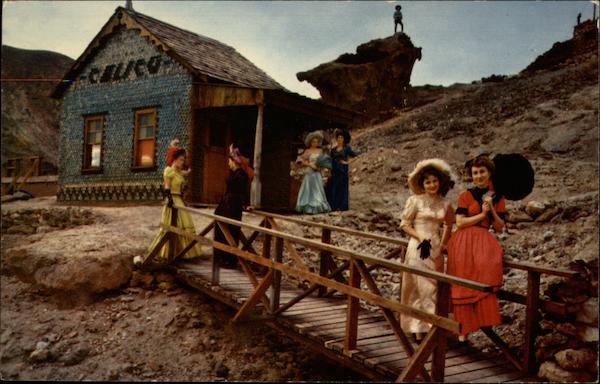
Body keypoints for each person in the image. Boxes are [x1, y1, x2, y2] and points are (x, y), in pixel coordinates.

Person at [447, 155, 506, 342]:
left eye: (482, 172)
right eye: (475, 173)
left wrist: (492, 211)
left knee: (484, 279)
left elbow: (499, 227)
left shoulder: (498, 197)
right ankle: (462, 333)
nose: (478, 176)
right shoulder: (465, 195)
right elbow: (460, 222)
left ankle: (482, 324)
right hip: (463, 241)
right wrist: (482, 214)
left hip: (483, 241)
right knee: (462, 283)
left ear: (489, 173)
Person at [399, 159, 455, 344]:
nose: (431, 185)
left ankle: (430, 327)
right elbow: (404, 224)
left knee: (434, 286)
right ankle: (420, 330)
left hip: (435, 247)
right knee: (419, 286)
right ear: (422, 184)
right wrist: (420, 238)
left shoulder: (446, 203)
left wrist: (444, 244)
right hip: (418, 246)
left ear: (440, 182)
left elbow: (448, 224)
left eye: (434, 181)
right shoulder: (415, 201)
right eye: (427, 182)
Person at [143, 148, 202, 262]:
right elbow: (167, 187)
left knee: (184, 225)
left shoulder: (179, 173)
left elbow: (187, 171)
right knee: (171, 226)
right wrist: (169, 200)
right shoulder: (168, 170)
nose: (182, 162)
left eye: (183, 160)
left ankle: (184, 253)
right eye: (180, 160)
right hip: (172, 200)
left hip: (179, 200)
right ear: (174, 160)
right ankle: (167, 252)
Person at [213, 144, 254, 268]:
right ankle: (221, 257)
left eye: (229, 160)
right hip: (227, 203)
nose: (228, 163)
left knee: (231, 229)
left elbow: (244, 191)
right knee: (222, 228)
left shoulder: (241, 175)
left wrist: (247, 204)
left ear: (233, 161)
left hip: (233, 204)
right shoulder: (233, 173)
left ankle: (229, 259)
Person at [295, 131, 332, 214]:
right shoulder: (307, 151)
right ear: (310, 142)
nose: (314, 143)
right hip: (309, 171)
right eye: (313, 142)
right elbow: (300, 160)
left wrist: (320, 166)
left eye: (316, 142)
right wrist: (309, 164)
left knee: (317, 189)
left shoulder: (320, 151)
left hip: (317, 171)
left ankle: (318, 207)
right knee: (308, 189)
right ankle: (307, 208)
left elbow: (323, 161)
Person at [326, 128, 360, 211]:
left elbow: (356, 156)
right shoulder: (333, 150)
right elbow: (330, 160)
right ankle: (333, 207)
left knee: (342, 188)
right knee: (333, 188)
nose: (340, 139)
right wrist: (329, 171)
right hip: (334, 171)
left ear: (344, 139)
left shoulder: (346, 148)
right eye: (338, 137)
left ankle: (342, 207)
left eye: (341, 138)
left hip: (342, 171)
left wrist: (347, 162)